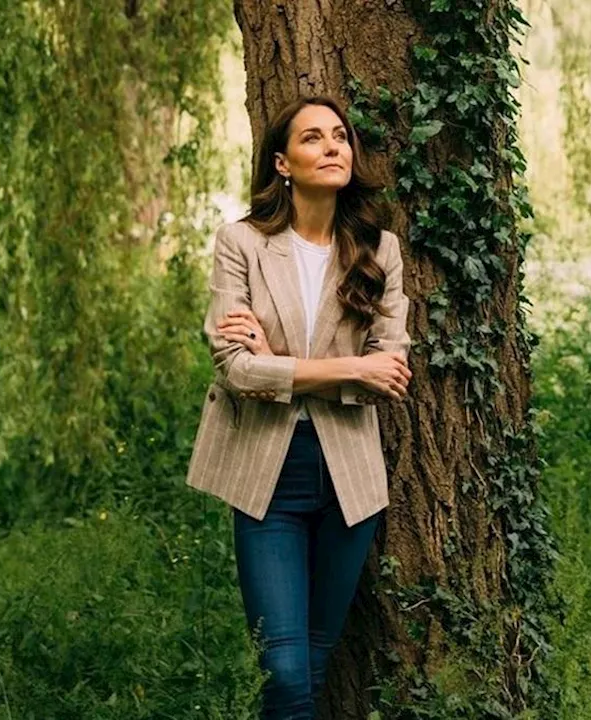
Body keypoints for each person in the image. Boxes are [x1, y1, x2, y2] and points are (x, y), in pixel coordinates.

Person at [185, 95, 412, 719]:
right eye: (313, 138)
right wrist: (350, 366)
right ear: (283, 163)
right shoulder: (242, 245)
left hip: (348, 476)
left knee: (313, 659)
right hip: (267, 474)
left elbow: (388, 374)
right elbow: (235, 370)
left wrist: (280, 362)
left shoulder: (379, 250)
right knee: (283, 669)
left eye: (339, 136)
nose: (333, 146)